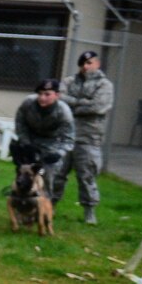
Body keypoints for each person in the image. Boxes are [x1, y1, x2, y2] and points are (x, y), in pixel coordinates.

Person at [49, 50, 113, 225]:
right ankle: (50, 205)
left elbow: (99, 107)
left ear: (97, 64)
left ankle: (89, 211)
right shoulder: (69, 81)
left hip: (89, 137)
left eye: (90, 63)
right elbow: (58, 99)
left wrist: (74, 105)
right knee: (57, 172)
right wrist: (84, 102)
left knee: (86, 175)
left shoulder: (104, 85)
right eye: (83, 63)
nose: (86, 66)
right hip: (65, 135)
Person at [11, 79, 76, 180]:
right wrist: (26, 142)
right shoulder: (28, 103)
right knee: (24, 169)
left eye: (47, 94)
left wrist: (59, 154)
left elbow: (68, 139)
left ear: (57, 95)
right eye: (40, 94)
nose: (42, 98)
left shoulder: (63, 112)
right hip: (30, 139)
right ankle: (20, 192)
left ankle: (47, 193)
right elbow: (20, 124)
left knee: (48, 172)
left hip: (51, 142)